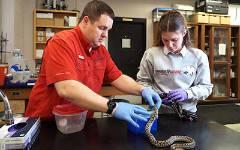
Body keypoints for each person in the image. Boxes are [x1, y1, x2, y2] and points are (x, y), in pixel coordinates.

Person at [25, 0, 161, 128]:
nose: (106, 35)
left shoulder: (101, 51)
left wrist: (141, 90)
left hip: (79, 122)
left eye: (108, 30)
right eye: (102, 28)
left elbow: (117, 77)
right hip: (47, 124)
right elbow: (66, 88)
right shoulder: (61, 42)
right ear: (85, 21)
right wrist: (113, 107)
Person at [137, 10, 213, 120]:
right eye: (165, 40)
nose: (170, 45)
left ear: (184, 33)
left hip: (187, 113)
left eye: (174, 40)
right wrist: (156, 95)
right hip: (158, 112)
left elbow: (206, 88)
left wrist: (187, 93)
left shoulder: (198, 56)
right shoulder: (151, 54)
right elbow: (142, 82)